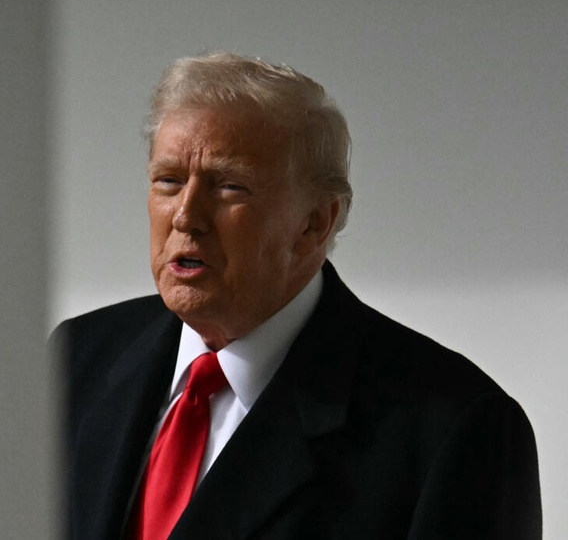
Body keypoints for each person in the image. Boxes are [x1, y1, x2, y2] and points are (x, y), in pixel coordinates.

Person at [52, 52, 542, 540]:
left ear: (314, 223)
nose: (185, 216)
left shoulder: (455, 428)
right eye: (169, 181)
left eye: (229, 187)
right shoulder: (77, 357)